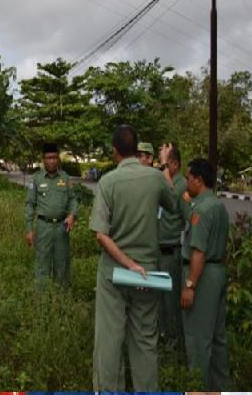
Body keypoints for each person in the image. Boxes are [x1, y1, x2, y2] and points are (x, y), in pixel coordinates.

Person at [89, 125, 176, 391]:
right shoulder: (156, 178)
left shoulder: (107, 182)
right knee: (145, 341)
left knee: (109, 341)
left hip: (114, 274)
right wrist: (164, 166)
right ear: (138, 149)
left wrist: (128, 264)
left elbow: (101, 235)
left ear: (114, 150)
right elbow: (172, 203)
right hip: (147, 275)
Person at [180, 158, 230, 390]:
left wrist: (190, 285)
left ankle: (198, 388)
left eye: (188, 179)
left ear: (198, 180)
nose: (186, 184)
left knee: (198, 338)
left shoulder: (201, 209)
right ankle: (219, 388)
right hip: (218, 272)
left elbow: (198, 251)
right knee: (217, 337)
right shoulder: (218, 205)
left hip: (203, 275)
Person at [25, 142, 78, 288]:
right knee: (42, 263)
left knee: (62, 264)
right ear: (43, 159)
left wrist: (72, 215)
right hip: (44, 227)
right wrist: (29, 229)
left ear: (58, 159)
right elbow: (30, 204)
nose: (52, 160)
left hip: (62, 228)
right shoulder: (36, 179)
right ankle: (41, 300)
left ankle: (61, 299)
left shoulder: (65, 178)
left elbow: (73, 199)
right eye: (48, 157)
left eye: (54, 157)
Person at [158, 146, 190, 341]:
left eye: (166, 163)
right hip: (159, 250)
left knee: (170, 302)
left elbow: (170, 195)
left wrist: (163, 165)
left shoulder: (181, 184)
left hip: (171, 251)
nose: (162, 167)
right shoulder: (165, 180)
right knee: (160, 301)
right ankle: (163, 335)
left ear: (175, 164)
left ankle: (174, 340)